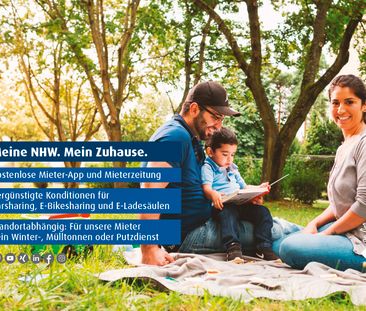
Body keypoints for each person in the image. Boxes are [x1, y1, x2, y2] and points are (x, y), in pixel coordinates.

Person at [139, 80, 257, 266]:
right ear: (194, 109)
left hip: (201, 225)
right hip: (188, 236)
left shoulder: (189, 137)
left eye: (222, 120)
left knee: (263, 221)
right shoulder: (175, 136)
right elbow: (150, 190)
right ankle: (315, 235)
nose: (219, 126)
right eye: (215, 117)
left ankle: (316, 232)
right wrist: (149, 249)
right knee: (272, 230)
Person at [274, 74, 366, 272]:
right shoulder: (345, 146)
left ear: (364, 105)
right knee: (276, 241)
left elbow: (363, 206)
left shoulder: (364, 143)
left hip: (361, 242)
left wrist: (327, 234)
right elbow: (339, 204)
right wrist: (314, 223)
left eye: (349, 102)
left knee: (290, 248)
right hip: (344, 231)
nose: (341, 110)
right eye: (335, 103)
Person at [201, 127, 279, 261]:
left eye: (232, 154)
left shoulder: (232, 168)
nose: (229, 159)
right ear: (210, 152)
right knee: (229, 213)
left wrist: (258, 189)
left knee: (263, 212)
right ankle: (233, 248)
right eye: (225, 154)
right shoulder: (208, 167)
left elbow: (244, 186)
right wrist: (213, 194)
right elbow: (206, 188)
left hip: (239, 203)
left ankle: (263, 247)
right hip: (222, 205)